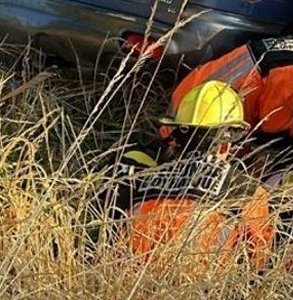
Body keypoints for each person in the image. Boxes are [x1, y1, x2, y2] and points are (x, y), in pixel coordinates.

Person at [114, 80, 273, 271]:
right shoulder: (247, 192)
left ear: (178, 138)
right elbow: (258, 263)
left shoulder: (140, 181)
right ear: (225, 144)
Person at [163, 12, 293, 150]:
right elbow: (273, 126)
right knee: (276, 146)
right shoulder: (290, 70)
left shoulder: (280, 50)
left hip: (182, 107)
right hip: (196, 129)